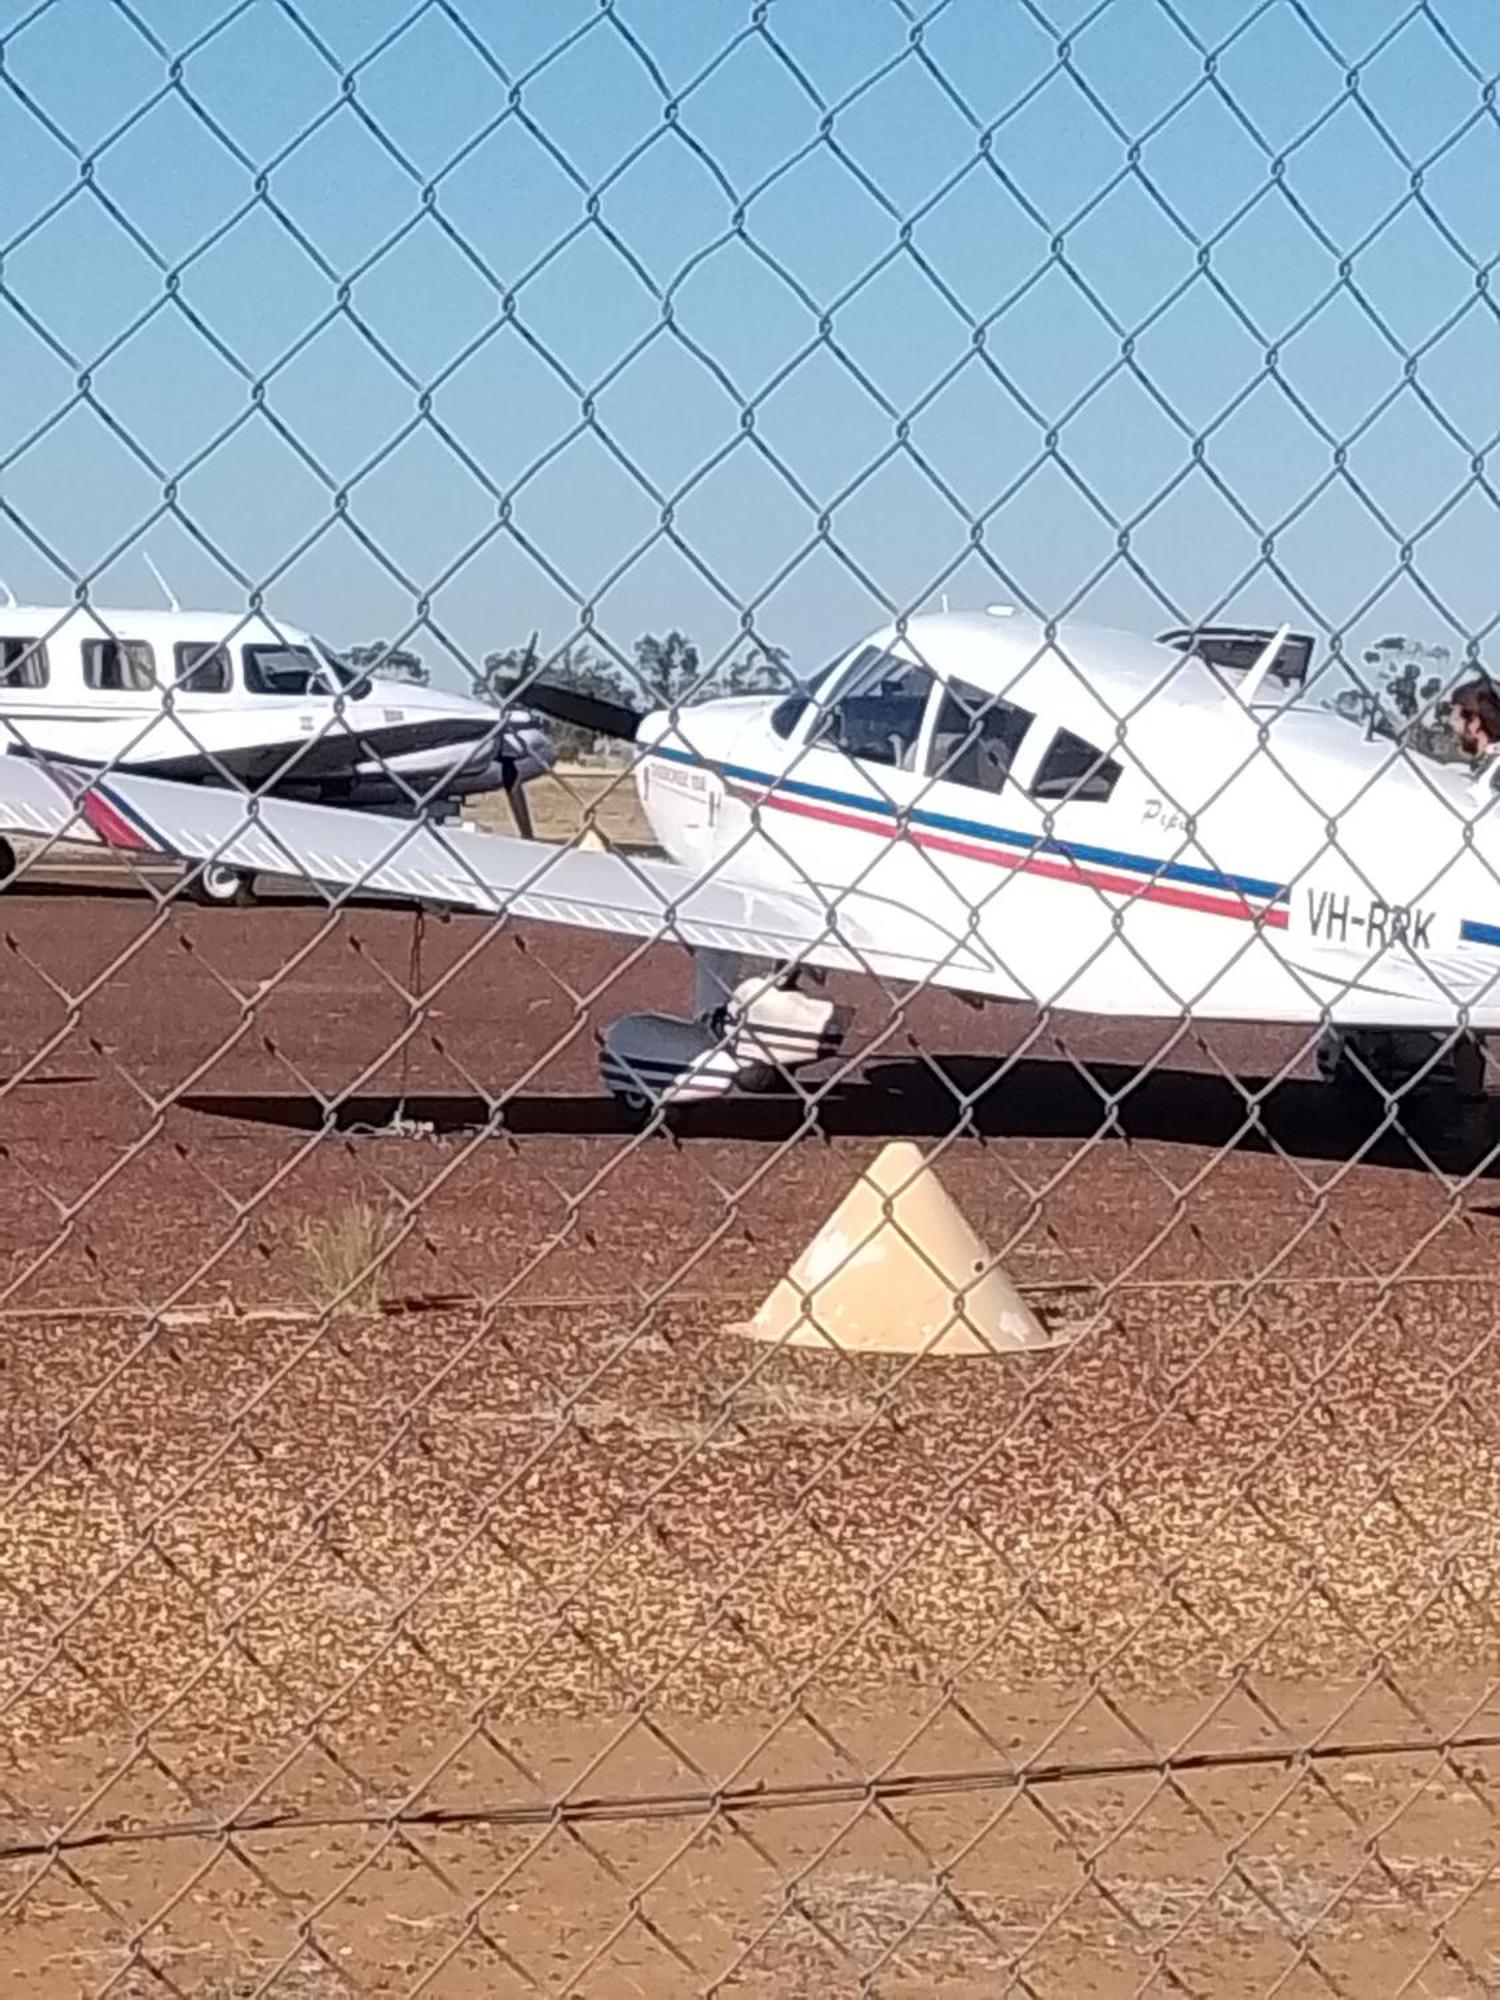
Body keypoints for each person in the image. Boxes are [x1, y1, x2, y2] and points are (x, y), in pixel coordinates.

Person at [1449, 677, 1500, 779]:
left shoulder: (1464, 718)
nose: (1486, 744)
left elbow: (1464, 696)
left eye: (1483, 745)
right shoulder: (1493, 732)